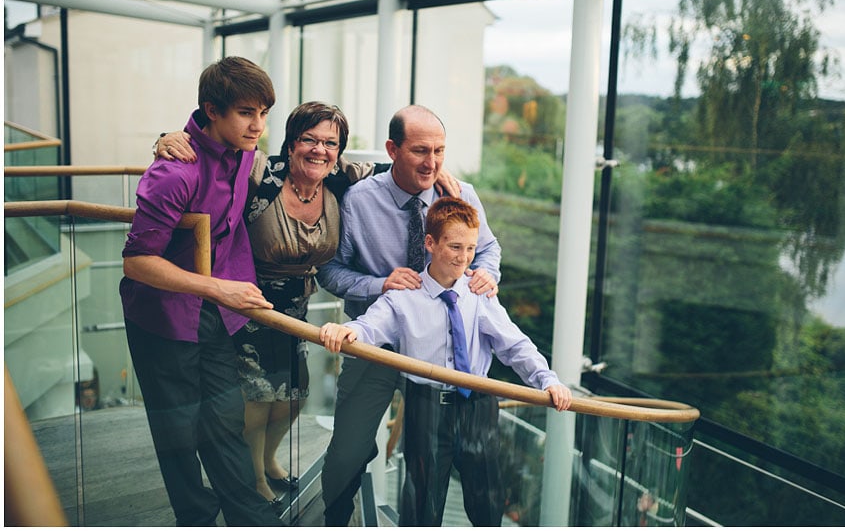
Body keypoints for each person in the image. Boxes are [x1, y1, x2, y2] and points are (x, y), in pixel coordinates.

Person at [153, 102, 461, 508]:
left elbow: (395, 171)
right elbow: (212, 156)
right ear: (292, 141)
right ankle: (256, 480)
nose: (320, 150)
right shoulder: (259, 170)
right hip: (248, 300)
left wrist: (438, 171)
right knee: (257, 399)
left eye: (330, 143)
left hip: (296, 306)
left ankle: (267, 460)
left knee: (292, 397)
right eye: (309, 140)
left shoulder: (338, 180)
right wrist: (168, 139)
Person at [319, 196, 573, 526]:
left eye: (470, 248)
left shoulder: (479, 294)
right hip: (426, 408)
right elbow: (368, 327)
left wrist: (547, 380)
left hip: (479, 408)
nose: (464, 257)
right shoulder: (403, 296)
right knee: (421, 503)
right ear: (430, 243)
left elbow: (515, 346)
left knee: (487, 502)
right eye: (455, 247)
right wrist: (344, 330)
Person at [316, 104, 501, 525]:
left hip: (441, 353)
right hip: (377, 344)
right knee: (347, 450)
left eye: (439, 150)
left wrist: (487, 275)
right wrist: (379, 283)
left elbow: (488, 249)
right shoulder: (359, 202)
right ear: (391, 149)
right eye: (420, 151)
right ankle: (336, 519)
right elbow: (330, 269)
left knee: (449, 465)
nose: (432, 162)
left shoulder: (460, 194)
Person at [119, 56, 284, 526]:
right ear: (213, 111)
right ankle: (194, 518)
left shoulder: (244, 151)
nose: (258, 126)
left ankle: (249, 518)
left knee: (226, 420)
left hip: (213, 309)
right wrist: (220, 289)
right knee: (177, 432)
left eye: (264, 113)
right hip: (161, 316)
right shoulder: (174, 172)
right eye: (246, 113)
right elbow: (135, 262)